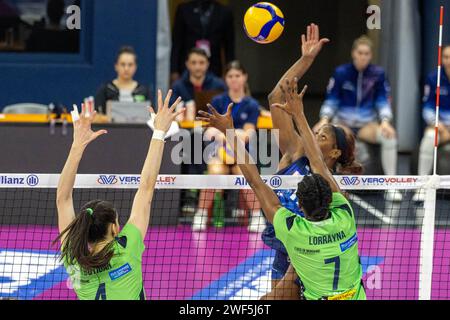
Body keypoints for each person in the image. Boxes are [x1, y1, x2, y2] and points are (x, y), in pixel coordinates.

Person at [197, 78, 366, 300]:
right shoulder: (344, 212)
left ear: (301, 208)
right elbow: (316, 161)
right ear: (330, 199)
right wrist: (299, 115)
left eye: (322, 136)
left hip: (299, 253)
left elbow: (256, 181)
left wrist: (230, 133)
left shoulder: (292, 229)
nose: (315, 139)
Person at [262, 24, 362, 297]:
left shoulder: (331, 188)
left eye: (324, 135)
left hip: (312, 256)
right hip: (284, 252)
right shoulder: (295, 150)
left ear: (335, 152)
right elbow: (275, 97)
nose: (317, 133)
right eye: (317, 130)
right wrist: (305, 60)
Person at [54, 90, 183, 300]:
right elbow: (147, 187)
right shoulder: (127, 247)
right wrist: (159, 131)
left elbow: (63, 198)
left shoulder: (74, 257)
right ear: (115, 228)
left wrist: (77, 146)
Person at [314, 36, 401, 202]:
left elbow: (382, 100)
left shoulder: (378, 74)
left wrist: (385, 121)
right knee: (320, 136)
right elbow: (332, 99)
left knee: (389, 137)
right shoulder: (341, 73)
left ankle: (391, 185)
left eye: (367, 54)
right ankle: (323, 182)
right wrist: (324, 119)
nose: (363, 57)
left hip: (366, 124)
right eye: (360, 53)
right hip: (343, 123)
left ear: (370, 55)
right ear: (354, 53)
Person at [191, 61, 263, 232]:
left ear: (244, 77)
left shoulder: (251, 105)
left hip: (241, 156)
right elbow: (210, 133)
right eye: (230, 76)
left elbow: (248, 135)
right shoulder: (218, 101)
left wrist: (224, 134)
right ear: (226, 79)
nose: (234, 79)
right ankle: (200, 215)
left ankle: (257, 217)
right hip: (219, 153)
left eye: (237, 75)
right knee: (214, 174)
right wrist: (233, 134)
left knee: (247, 176)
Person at [414, 45, 450, 201]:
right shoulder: (433, 78)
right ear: (442, 59)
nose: (449, 61)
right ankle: (422, 186)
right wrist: (437, 123)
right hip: (440, 128)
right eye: (446, 57)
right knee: (429, 138)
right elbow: (427, 108)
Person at [170, 0, 235, 82]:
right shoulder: (184, 9)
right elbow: (177, 43)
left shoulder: (225, 12)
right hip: (187, 67)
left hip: (214, 67)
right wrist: (174, 71)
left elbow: (229, 47)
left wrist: (230, 72)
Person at [95, 46, 151, 114]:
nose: (126, 68)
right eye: (122, 64)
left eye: (130, 65)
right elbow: (97, 115)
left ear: (135, 67)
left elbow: (151, 116)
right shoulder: (106, 89)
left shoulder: (143, 90)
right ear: (116, 66)